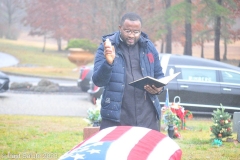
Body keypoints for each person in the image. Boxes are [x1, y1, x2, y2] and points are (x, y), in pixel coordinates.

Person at [92, 12, 164, 131]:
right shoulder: (107, 47)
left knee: (146, 149)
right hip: (117, 117)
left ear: (140, 31)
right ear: (120, 28)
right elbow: (98, 81)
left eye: (136, 32)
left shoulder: (149, 47)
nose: (132, 35)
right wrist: (108, 63)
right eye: (127, 31)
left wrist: (159, 88)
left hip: (147, 116)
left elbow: (159, 75)